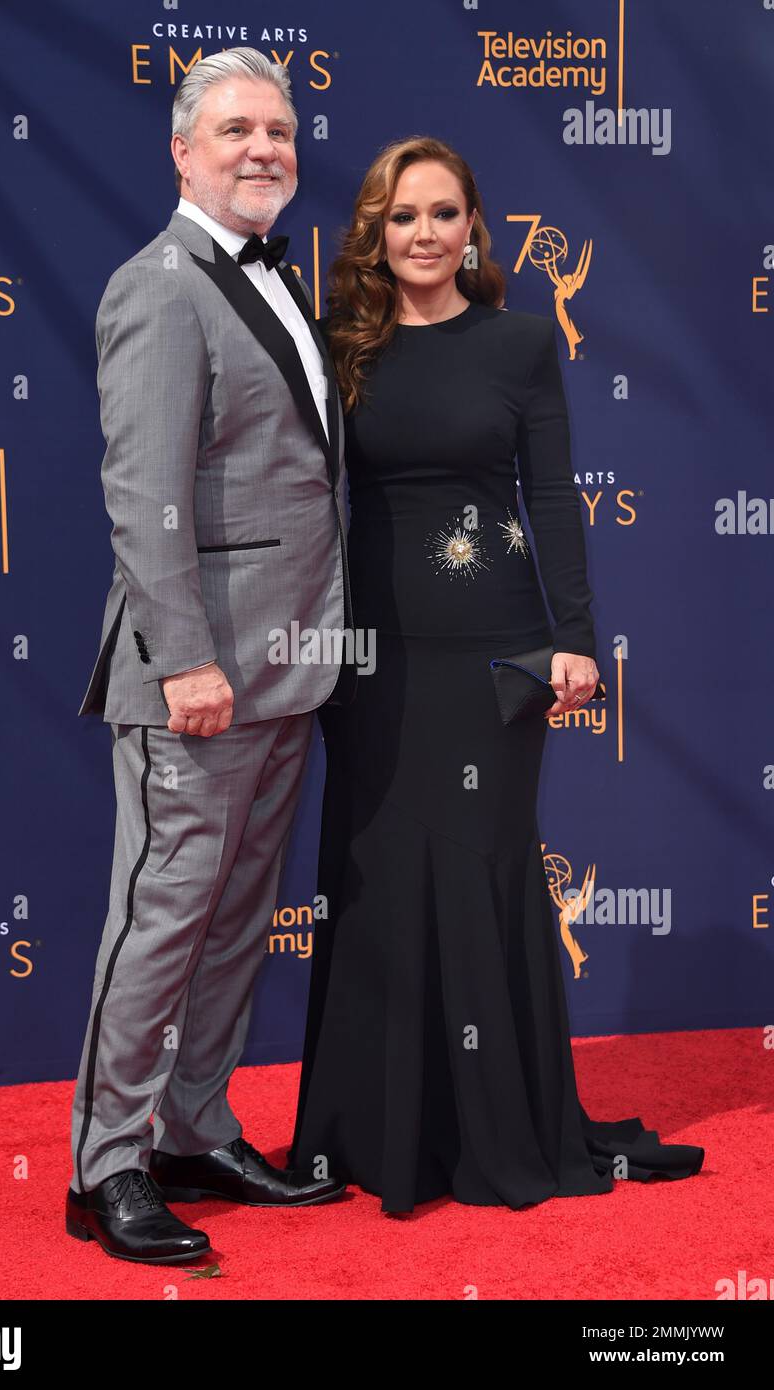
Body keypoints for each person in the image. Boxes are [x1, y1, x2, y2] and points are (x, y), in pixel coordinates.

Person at [288, 137, 704, 1213]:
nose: (423, 234)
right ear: (374, 234)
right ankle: (374, 1138)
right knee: (377, 874)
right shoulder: (341, 345)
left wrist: (575, 634)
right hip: (373, 656)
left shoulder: (520, 343)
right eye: (401, 216)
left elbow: (554, 495)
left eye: (442, 212)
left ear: (475, 223)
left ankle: (496, 1126)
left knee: (482, 872)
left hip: (494, 650)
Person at [67, 47, 355, 1265]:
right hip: (199, 676)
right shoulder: (158, 285)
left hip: (287, 666)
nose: (262, 150)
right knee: (165, 918)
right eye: (235, 128)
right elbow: (144, 497)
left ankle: (194, 1126)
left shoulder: (286, 277)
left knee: (240, 916)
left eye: (280, 131)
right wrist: (185, 656)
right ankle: (105, 1162)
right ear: (181, 151)